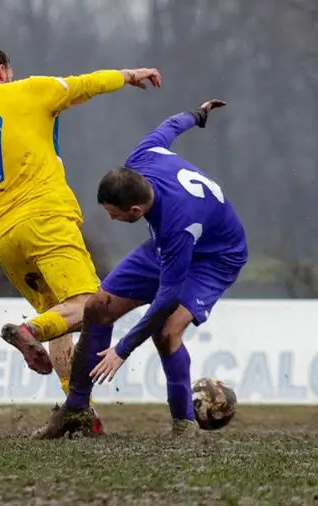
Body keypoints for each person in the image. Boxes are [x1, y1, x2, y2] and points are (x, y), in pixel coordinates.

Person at [0, 45, 161, 433]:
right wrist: (128, 74)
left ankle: (77, 408)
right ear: (2, 71)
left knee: (59, 312)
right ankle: (28, 332)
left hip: (4, 236)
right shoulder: (30, 90)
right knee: (90, 306)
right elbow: (85, 84)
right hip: (45, 217)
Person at [31, 99, 247, 439]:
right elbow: (170, 126)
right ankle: (76, 410)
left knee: (167, 331)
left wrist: (122, 349)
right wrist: (198, 114)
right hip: (172, 244)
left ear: (134, 210)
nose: (110, 218)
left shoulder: (177, 225)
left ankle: (183, 424)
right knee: (97, 308)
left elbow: (166, 299)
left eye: (114, 214)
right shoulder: (142, 158)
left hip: (214, 258)